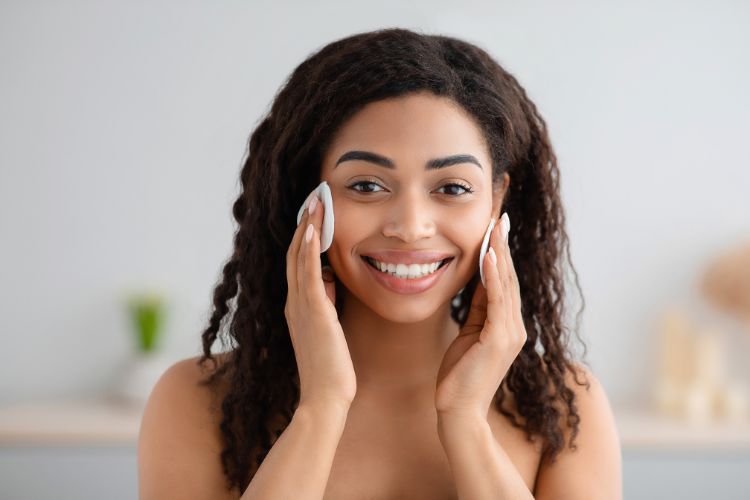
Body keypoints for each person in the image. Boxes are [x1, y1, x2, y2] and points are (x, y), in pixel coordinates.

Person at [138, 27, 622, 499]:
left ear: (497, 201)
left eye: (452, 188)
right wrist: (321, 409)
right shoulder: (195, 401)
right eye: (367, 185)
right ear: (310, 198)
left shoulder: (564, 406)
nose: (411, 227)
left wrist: (465, 422)